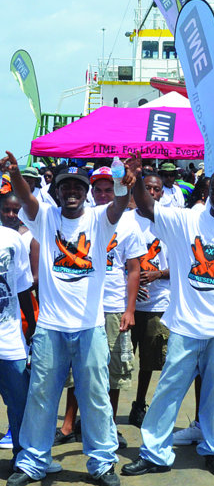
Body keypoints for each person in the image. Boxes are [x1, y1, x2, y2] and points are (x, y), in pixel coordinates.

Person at [121, 157, 214, 479]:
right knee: (169, 387)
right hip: (185, 324)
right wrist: (139, 178)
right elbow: (147, 207)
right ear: (208, 192)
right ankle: (154, 451)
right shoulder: (186, 220)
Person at [2, 153, 132, 486]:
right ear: (57, 192)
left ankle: (102, 462)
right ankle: (33, 461)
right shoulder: (44, 217)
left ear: (86, 191)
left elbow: (120, 203)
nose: (71, 191)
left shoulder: (100, 219)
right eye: (65, 186)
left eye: (77, 186)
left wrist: (122, 180)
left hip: (90, 327)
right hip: (50, 328)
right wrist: (15, 174)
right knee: (41, 396)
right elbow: (27, 199)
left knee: (96, 397)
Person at [57, 166, 147, 449]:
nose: (103, 194)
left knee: (113, 372)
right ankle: (69, 423)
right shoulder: (81, 219)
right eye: (98, 190)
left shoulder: (129, 223)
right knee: (77, 370)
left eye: (109, 189)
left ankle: (107, 424)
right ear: (90, 192)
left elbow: (133, 270)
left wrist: (129, 310)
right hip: (83, 308)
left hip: (113, 307)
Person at [129, 173, 171, 429]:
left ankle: (139, 404)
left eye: (156, 189)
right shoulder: (127, 221)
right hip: (128, 305)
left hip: (158, 303)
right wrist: (130, 283)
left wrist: (157, 274)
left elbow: (185, 265)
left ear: (162, 193)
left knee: (149, 362)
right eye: (148, 188)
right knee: (117, 361)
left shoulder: (168, 222)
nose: (152, 193)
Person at [0, 223, 36, 468]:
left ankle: (22, 457)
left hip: (9, 338)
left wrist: (33, 324)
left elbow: (23, 287)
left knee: (20, 402)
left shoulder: (12, 238)